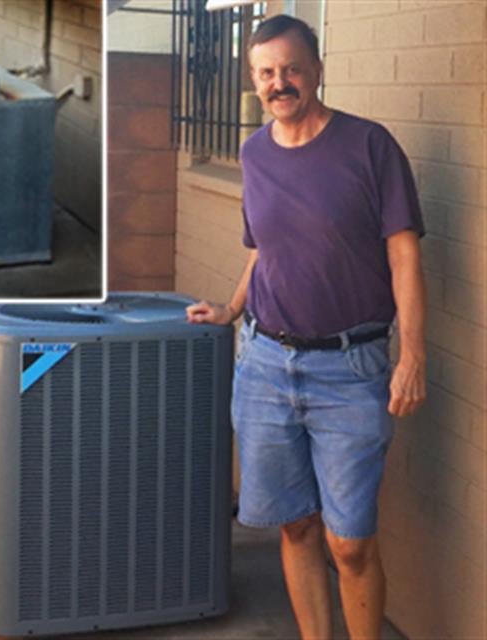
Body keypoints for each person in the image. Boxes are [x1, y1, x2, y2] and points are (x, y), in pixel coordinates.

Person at [186, 14, 426, 640]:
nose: (279, 83)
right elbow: (262, 248)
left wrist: (413, 354)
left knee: (349, 543)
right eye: (266, 73)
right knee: (295, 526)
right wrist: (233, 309)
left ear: (317, 69)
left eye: (291, 69)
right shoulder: (253, 152)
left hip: (350, 370)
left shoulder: (369, 146)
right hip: (265, 365)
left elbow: (404, 254)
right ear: (253, 79)